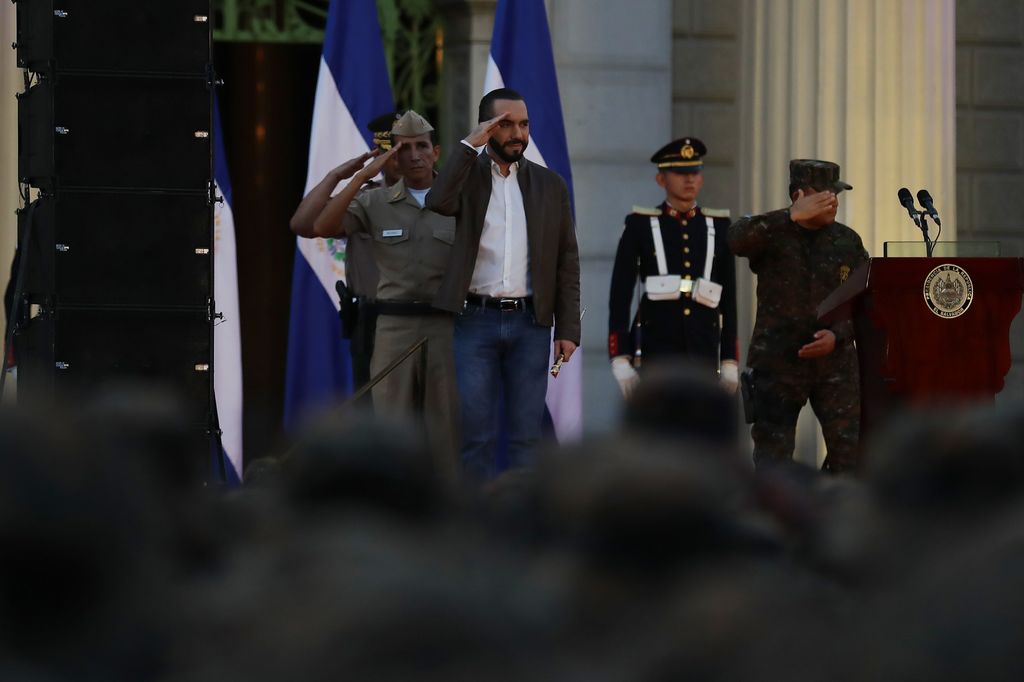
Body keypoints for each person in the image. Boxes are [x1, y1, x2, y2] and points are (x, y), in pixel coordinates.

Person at [426, 87, 581, 482]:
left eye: (524, 124)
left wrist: (568, 329)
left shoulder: (550, 185)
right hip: (474, 320)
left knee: (526, 437)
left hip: (531, 323)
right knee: (476, 434)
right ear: (487, 128)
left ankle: (521, 513)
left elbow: (566, 260)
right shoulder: (467, 177)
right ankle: (476, 515)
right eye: (507, 124)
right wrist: (468, 147)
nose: (518, 134)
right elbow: (437, 202)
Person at [311, 110, 460, 477]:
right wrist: (360, 177)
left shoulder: (461, 199)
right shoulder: (375, 201)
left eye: (421, 146)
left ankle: (446, 504)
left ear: (436, 151)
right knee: (391, 427)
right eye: (403, 148)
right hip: (394, 326)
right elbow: (322, 226)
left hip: (446, 326)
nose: (414, 156)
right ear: (391, 155)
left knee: (446, 430)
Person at [728, 159, 869, 473]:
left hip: (835, 363)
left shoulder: (847, 241)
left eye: (836, 194)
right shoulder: (773, 233)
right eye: (825, 194)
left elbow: (863, 298)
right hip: (778, 362)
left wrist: (838, 334)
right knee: (773, 459)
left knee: (851, 455)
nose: (834, 201)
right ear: (799, 196)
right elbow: (736, 239)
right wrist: (789, 216)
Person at [607, 137, 739, 399]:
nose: (689, 179)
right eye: (680, 173)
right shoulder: (639, 224)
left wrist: (729, 360)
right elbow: (620, 293)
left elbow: (729, 298)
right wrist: (620, 356)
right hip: (657, 344)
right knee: (658, 421)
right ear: (661, 179)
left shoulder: (719, 226)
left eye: (695, 172)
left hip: (703, 344)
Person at [289, 113, 399, 394]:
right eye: (391, 152)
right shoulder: (364, 198)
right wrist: (336, 176)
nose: (399, 159)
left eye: (409, 149)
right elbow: (303, 224)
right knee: (372, 408)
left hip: (427, 319)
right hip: (372, 322)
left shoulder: (441, 196)